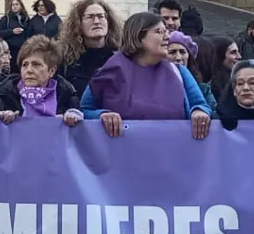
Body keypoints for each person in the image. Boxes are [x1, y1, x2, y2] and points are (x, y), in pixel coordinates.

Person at [81, 12, 212, 139]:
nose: (167, 37)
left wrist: (199, 112)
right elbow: (84, 110)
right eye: (159, 32)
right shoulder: (110, 71)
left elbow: (201, 105)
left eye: (166, 31)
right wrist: (102, 115)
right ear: (139, 37)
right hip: (119, 155)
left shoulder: (179, 71)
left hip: (170, 154)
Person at [0, 36, 83, 126]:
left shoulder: (67, 96)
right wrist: (0, 120)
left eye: (36, 64)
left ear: (51, 71)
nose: (29, 70)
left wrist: (74, 119)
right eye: (25, 65)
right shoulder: (3, 96)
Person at [58, 0, 120, 98]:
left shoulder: (120, 57)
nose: (96, 22)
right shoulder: (65, 59)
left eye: (101, 16)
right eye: (90, 17)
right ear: (78, 23)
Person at [187, 34, 218, 115]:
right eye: (172, 52)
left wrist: (202, 110)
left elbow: (214, 112)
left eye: (182, 52)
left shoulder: (204, 89)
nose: (178, 57)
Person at [0, 0, 31, 69]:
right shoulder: (6, 18)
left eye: (17, 4)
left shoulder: (26, 19)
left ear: (21, 6)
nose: (15, 6)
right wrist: (12, 31)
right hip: (10, 49)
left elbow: (29, 33)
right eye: (13, 5)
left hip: (22, 50)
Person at [207, 36, 241, 106]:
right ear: (219, 54)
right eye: (233, 52)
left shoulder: (236, 78)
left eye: (238, 52)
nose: (239, 56)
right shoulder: (210, 85)